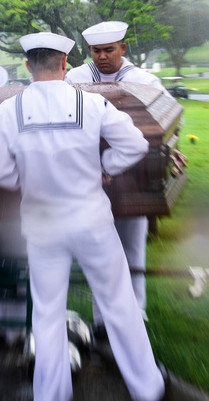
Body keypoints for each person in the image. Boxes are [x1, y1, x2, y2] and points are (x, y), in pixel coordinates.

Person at [0, 32, 166, 401]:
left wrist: (28, 181)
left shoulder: (8, 110)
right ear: (65, 64)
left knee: (48, 314)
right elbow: (135, 146)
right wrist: (106, 169)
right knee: (119, 302)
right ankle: (147, 387)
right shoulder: (91, 102)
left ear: (28, 66)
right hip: (91, 221)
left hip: (42, 223)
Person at [65, 20, 183, 329]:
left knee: (132, 248)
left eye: (108, 50)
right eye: (95, 51)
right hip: (90, 176)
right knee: (99, 251)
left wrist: (172, 149)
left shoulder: (145, 80)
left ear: (123, 48)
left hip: (135, 176)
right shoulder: (74, 78)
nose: (101, 57)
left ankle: (136, 312)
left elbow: (169, 122)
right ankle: (102, 318)